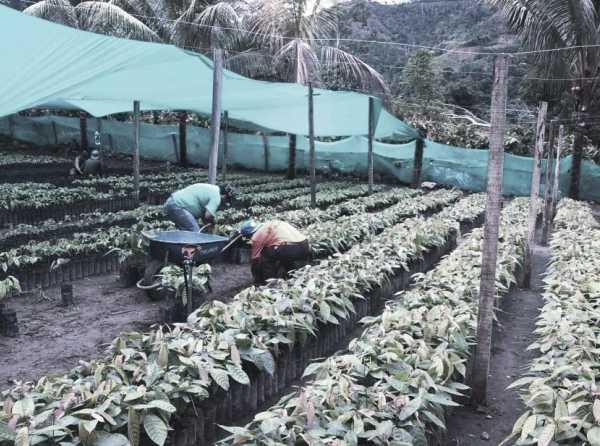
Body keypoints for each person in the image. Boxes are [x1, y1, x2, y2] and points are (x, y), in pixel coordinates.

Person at [239, 220, 311, 285]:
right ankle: (291, 276)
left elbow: (255, 258)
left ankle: (270, 283)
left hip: (289, 247)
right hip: (304, 245)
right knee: (282, 255)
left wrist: (256, 278)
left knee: (265, 257)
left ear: (250, 234)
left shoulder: (257, 235)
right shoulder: (270, 224)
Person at [164, 183, 235, 232]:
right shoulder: (217, 197)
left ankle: (178, 250)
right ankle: (190, 253)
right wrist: (213, 222)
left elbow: (204, 216)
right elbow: (208, 216)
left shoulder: (212, 189)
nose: (223, 203)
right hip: (178, 205)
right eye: (226, 199)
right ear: (224, 196)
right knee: (194, 231)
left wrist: (209, 225)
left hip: (172, 202)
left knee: (185, 231)